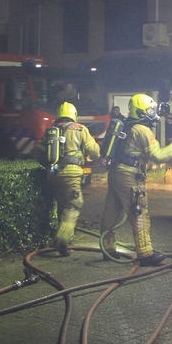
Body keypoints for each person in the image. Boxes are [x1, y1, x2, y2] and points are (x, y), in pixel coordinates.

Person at [100, 93, 172, 266]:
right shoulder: (142, 130)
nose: (153, 113)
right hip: (129, 176)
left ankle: (108, 248)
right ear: (141, 112)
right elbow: (158, 156)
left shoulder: (126, 126)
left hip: (115, 173)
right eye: (150, 110)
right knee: (139, 211)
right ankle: (145, 253)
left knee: (111, 210)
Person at [42, 102, 100, 256]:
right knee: (74, 203)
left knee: (63, 206)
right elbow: (94, 151)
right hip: (71, 174)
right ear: (74, 114)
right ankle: (61, 238)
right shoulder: (80, 129)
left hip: (53, 175)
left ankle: (65, 245)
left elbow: (40, 153)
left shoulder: (52, 131)